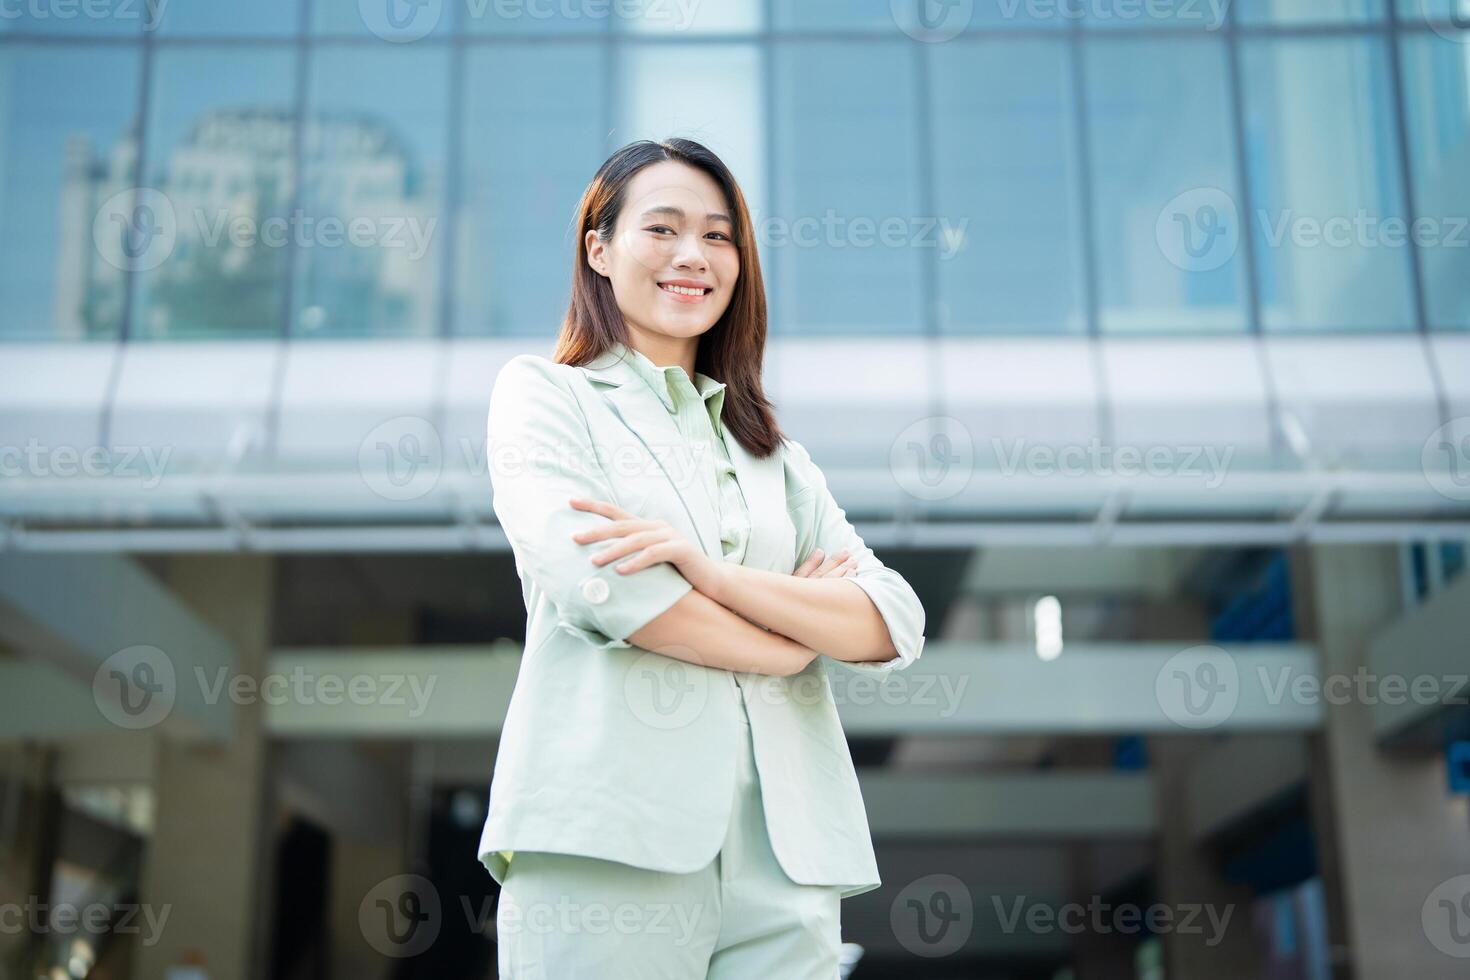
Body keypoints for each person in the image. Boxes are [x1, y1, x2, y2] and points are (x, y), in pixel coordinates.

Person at [480, 137, 926, 978]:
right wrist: (793, 634)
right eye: (665, 228)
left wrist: (713, 573)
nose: (695, 256)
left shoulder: (772, 454)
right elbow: (604, 587)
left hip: (789, 862)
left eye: (719, 236)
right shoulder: (546, 396)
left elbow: (889, 620)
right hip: (607, 840)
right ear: (599, 249)